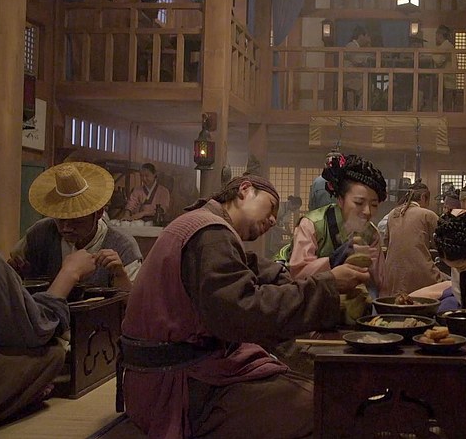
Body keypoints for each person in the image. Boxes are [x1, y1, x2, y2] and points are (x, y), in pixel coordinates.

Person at [120, 174, 371, 438]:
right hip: (177, 387)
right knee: (325, 405)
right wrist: (328, 285)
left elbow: (262, 273)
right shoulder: (210, 233)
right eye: (271, 207)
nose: (273, 220)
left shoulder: (205, 227)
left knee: (310, 374)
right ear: (245, 189)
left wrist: (321, 287)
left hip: (177, 375)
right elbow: (245, 312)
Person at [0, 244, 96, 428]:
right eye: (59, 225)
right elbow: (35, 329)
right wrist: (70, 273)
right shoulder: (38, 236)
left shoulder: (120, 243)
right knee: (53, 353)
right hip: (31, 327)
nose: (67, 229)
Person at [9, 162, 142, 290]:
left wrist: (120, 275)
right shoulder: (40, 233)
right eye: (60, 220)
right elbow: (14, 266)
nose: (66, 228)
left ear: (99, 213)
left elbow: (134, 301)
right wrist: (18, 272)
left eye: (76, 221)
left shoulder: (122, 245)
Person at [282, 154, 387, 300]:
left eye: (374, 205)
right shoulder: (313, 224)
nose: (367, 211)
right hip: (307, 298)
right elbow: (298, 274)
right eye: (359, 203)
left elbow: (379, 282)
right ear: (340, 200)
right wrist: (335, 260)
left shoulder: (371, 233)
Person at [382, 180, 447, 297]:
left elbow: (386, 243)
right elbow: (443, 244)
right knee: (451, 285)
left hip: (391, 277)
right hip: (420, 274)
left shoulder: (392, 214)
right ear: (423, 197)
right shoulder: (427, 214)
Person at [344, 26, 373, 110]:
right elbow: (357, 59)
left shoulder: (358, 47)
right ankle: (360, 110)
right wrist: (368, 57)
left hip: (355, 77)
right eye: (367, 36)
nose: (368, 39)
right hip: (349, 78)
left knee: (369, 85)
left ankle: (360, 109)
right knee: (367, 87)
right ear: (361, 36)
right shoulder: (351, 45)